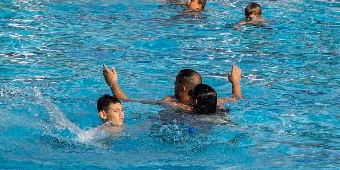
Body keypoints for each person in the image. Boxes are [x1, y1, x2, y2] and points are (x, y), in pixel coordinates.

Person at [102, 64, 242, 112]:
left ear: (181, 88)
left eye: (175, 82)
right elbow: (236, 99)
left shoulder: (170, 102)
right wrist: (235, 82)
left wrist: (112, 83)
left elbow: (127, 100)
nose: (173, 85)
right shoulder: (214, 101)